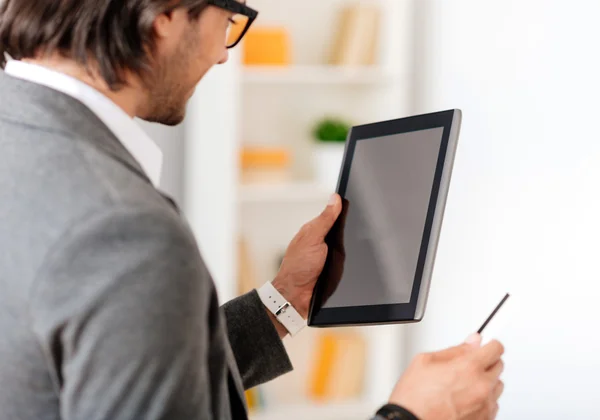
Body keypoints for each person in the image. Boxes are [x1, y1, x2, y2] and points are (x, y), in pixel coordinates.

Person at [0, 1, 505, 419]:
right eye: (230, 19)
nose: (223, 53)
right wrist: (411, 414)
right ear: (166, 16)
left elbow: (122, 368)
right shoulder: (126, 232)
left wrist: (281, 302)